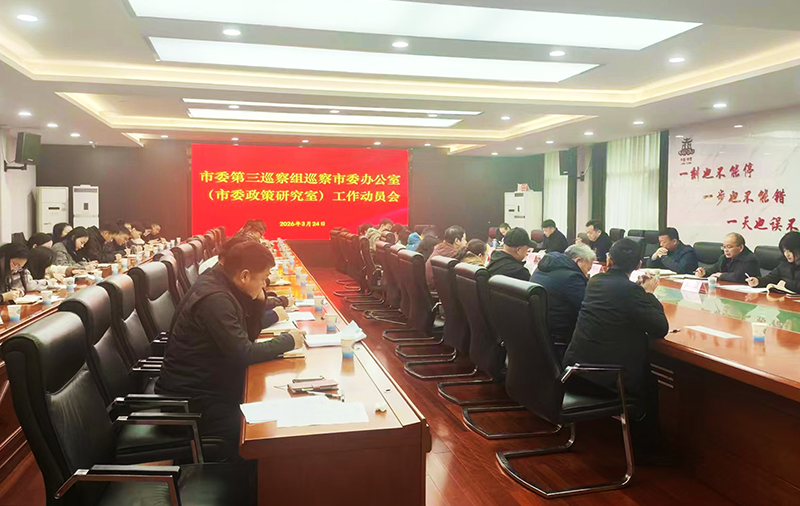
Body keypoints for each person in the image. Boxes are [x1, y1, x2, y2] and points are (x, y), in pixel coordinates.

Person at [155, 241, 305, 461]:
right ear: (244, 276)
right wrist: (288, 341)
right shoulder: (216, 299)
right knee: (265, 433)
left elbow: (247, 336)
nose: (264, 284)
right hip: (192, 402)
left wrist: (258, 302)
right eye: (263, 278)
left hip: (208, 388)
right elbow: (244, 354)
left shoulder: (221, 284)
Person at [563, 238, 668, 459]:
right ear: (639, 265)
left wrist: (638, 291)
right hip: (605, 381)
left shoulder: (595, 282)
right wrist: (648, 294)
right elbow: (660, 328)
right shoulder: (631, 292)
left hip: (574, 372)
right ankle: (648, 453)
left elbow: (620, 296)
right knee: (649, 380)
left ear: (609, 259)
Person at [531, 244, 596, 351]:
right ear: (578, 261)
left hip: (539, 332)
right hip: (559, 336)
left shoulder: (542, 268)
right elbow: (587, 308)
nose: (587, 273)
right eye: (588, 268)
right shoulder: (572, 278)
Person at [695, 232, 759, 283]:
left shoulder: (750, 259)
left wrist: (721, 275)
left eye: (729, 247)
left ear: (740, 248)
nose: (726, 250)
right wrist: (704, 272)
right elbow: (715, 269)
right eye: (724, 247)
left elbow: (739, 277)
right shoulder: (724, 257)